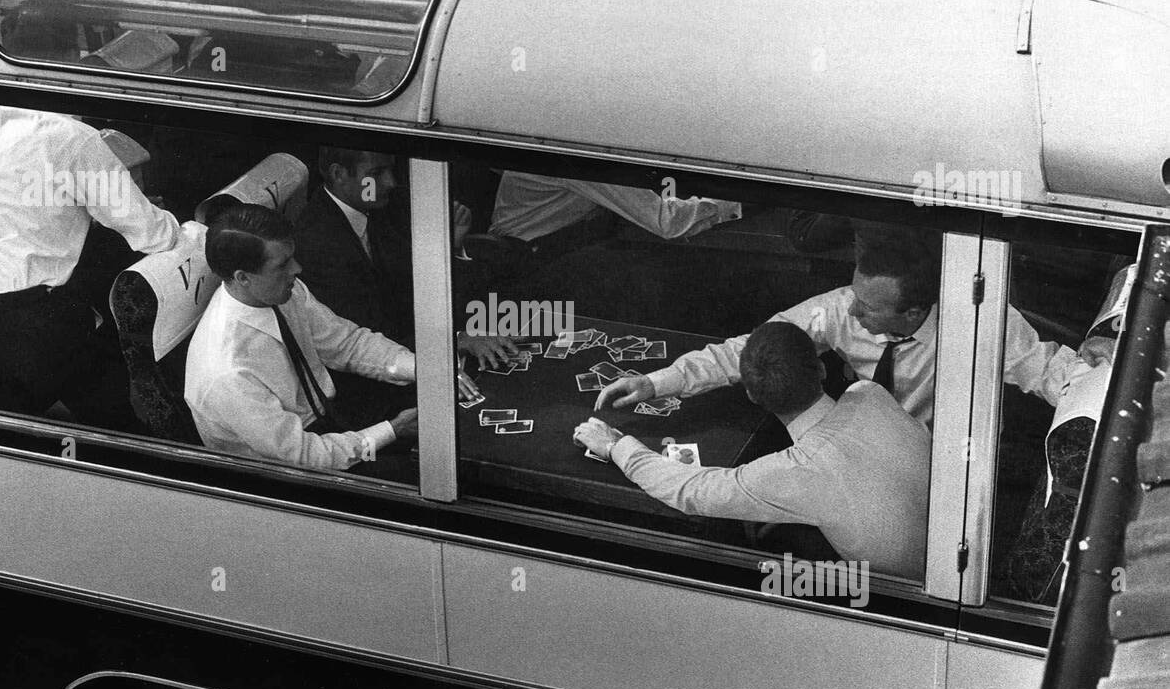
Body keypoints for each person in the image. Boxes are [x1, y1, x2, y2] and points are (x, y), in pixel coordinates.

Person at [598, 230, 1086, 430]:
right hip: (862, 436)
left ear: (915, 312)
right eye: (853, 296)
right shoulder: (838, 308)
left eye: (870, 308)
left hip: (946, 457)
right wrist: (655, 382)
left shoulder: (981, 324)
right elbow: (753, 348)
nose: (852, 314)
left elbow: (1054, 373)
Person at [576, 322, 931, 577]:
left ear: (751, 396)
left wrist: (615, 445)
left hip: (895, 594)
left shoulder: (797, 471)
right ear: (822, 369)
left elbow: (690, 492)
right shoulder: (869, 394)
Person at [0, 104, 183, 428]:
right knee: (119, 429)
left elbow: (22, 199)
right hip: (44, 328)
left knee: (20, 423)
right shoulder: (75, 139)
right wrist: (177, 224)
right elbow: (154, 235)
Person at [186, 204, 435, 470]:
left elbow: (347, 345)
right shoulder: (226, 372)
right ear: (243, 278)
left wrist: (427, 371)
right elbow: (305, 456)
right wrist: (393, 431)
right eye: (283, 264)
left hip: (331, 420)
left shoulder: (280, 291)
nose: (298, 269)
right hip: (292, 474)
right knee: (428, 471)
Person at [293, 147, 515, 418]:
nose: (390, 182)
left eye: (390, 170)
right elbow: (366, 333)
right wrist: (456, 340)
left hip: (424, 345)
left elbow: (418, 288)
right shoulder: (316, 244)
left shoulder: (388, 203)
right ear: (339, 174)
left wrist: (451, 249)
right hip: (376, 382)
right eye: (376, 174)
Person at [487, 170, 744, 255]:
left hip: (547, 243)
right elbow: (667, 223)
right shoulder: (582, 152)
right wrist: (734, 202)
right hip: (532, 256)